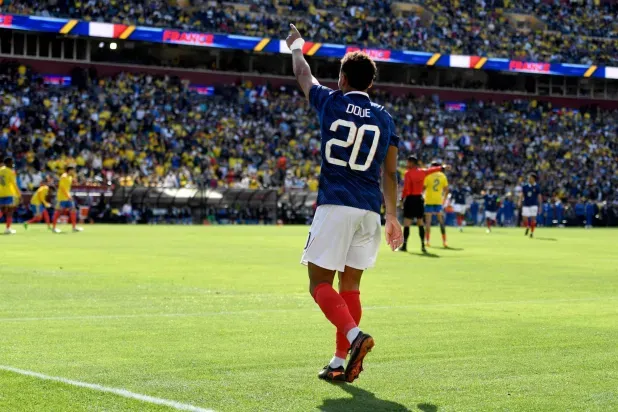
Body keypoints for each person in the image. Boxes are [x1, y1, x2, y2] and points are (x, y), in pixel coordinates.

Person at [287, 24, 403, 383]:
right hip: (369, 211)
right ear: (371, 83)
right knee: (350, 286)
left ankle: (355, 337)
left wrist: (296, 47)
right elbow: (390, 173)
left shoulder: (331, 101)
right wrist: (392, 216)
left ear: (342, 78)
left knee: (318, 284)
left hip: (335, 204)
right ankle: (339, 362)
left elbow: (303, 75)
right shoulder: (385, 119)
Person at [400, 155, 446, 253]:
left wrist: (402, 199)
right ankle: (422, 245)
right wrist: (442, 167)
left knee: (407, 222)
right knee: (420, 222)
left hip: (410, 199)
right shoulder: (422, 172)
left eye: (408, 162)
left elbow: (406, 188)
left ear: (412, 163)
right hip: (419, 199)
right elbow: (432, 170)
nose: (407, 164)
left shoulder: (408, 173)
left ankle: (404, 246)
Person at [423, 161, 449, 247]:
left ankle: (427, 241)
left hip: (429, 200)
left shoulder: (428, 175)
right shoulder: (443, 176)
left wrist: (422, 197)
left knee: (428, 222)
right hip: (438, 201)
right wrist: (444, 199)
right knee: (441, 222)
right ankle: (444, 242)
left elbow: (423, 188)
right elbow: (446, 190)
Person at [52, 166, 83, 233]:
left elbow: (68, 186)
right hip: (62, 197)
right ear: (69, 170)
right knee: (58, 212)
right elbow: (62, 188)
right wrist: (68, 195)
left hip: (68, 197)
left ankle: (74, 227)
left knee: (73, 210)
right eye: (73, 170)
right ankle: (54, 228)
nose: (74, 172)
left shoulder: (70, 177)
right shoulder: (64, 176)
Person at [0, 157, 21, 234]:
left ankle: (8, 228)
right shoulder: (10, 171)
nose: (13, 164)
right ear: (8, 163)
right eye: (12, 162)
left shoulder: (0, 170)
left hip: (1, 193)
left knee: (2, 211)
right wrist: (19, 194)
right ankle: (8, 229)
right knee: (10, 211)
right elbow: (14, 184)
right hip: (9, 193)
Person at [520, 173, 542, 238]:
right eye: (528, 178)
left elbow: (539, 196)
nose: (529, 179)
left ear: (533, 179)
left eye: (530, 178)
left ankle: (532, 233)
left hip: (534, 205)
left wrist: (540, 205)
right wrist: (520, 201)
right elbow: (522, 194)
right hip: (526, 204)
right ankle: (527, 226)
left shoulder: (537, 187)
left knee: (533, 219)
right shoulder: (525, 186)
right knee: (524, 218)